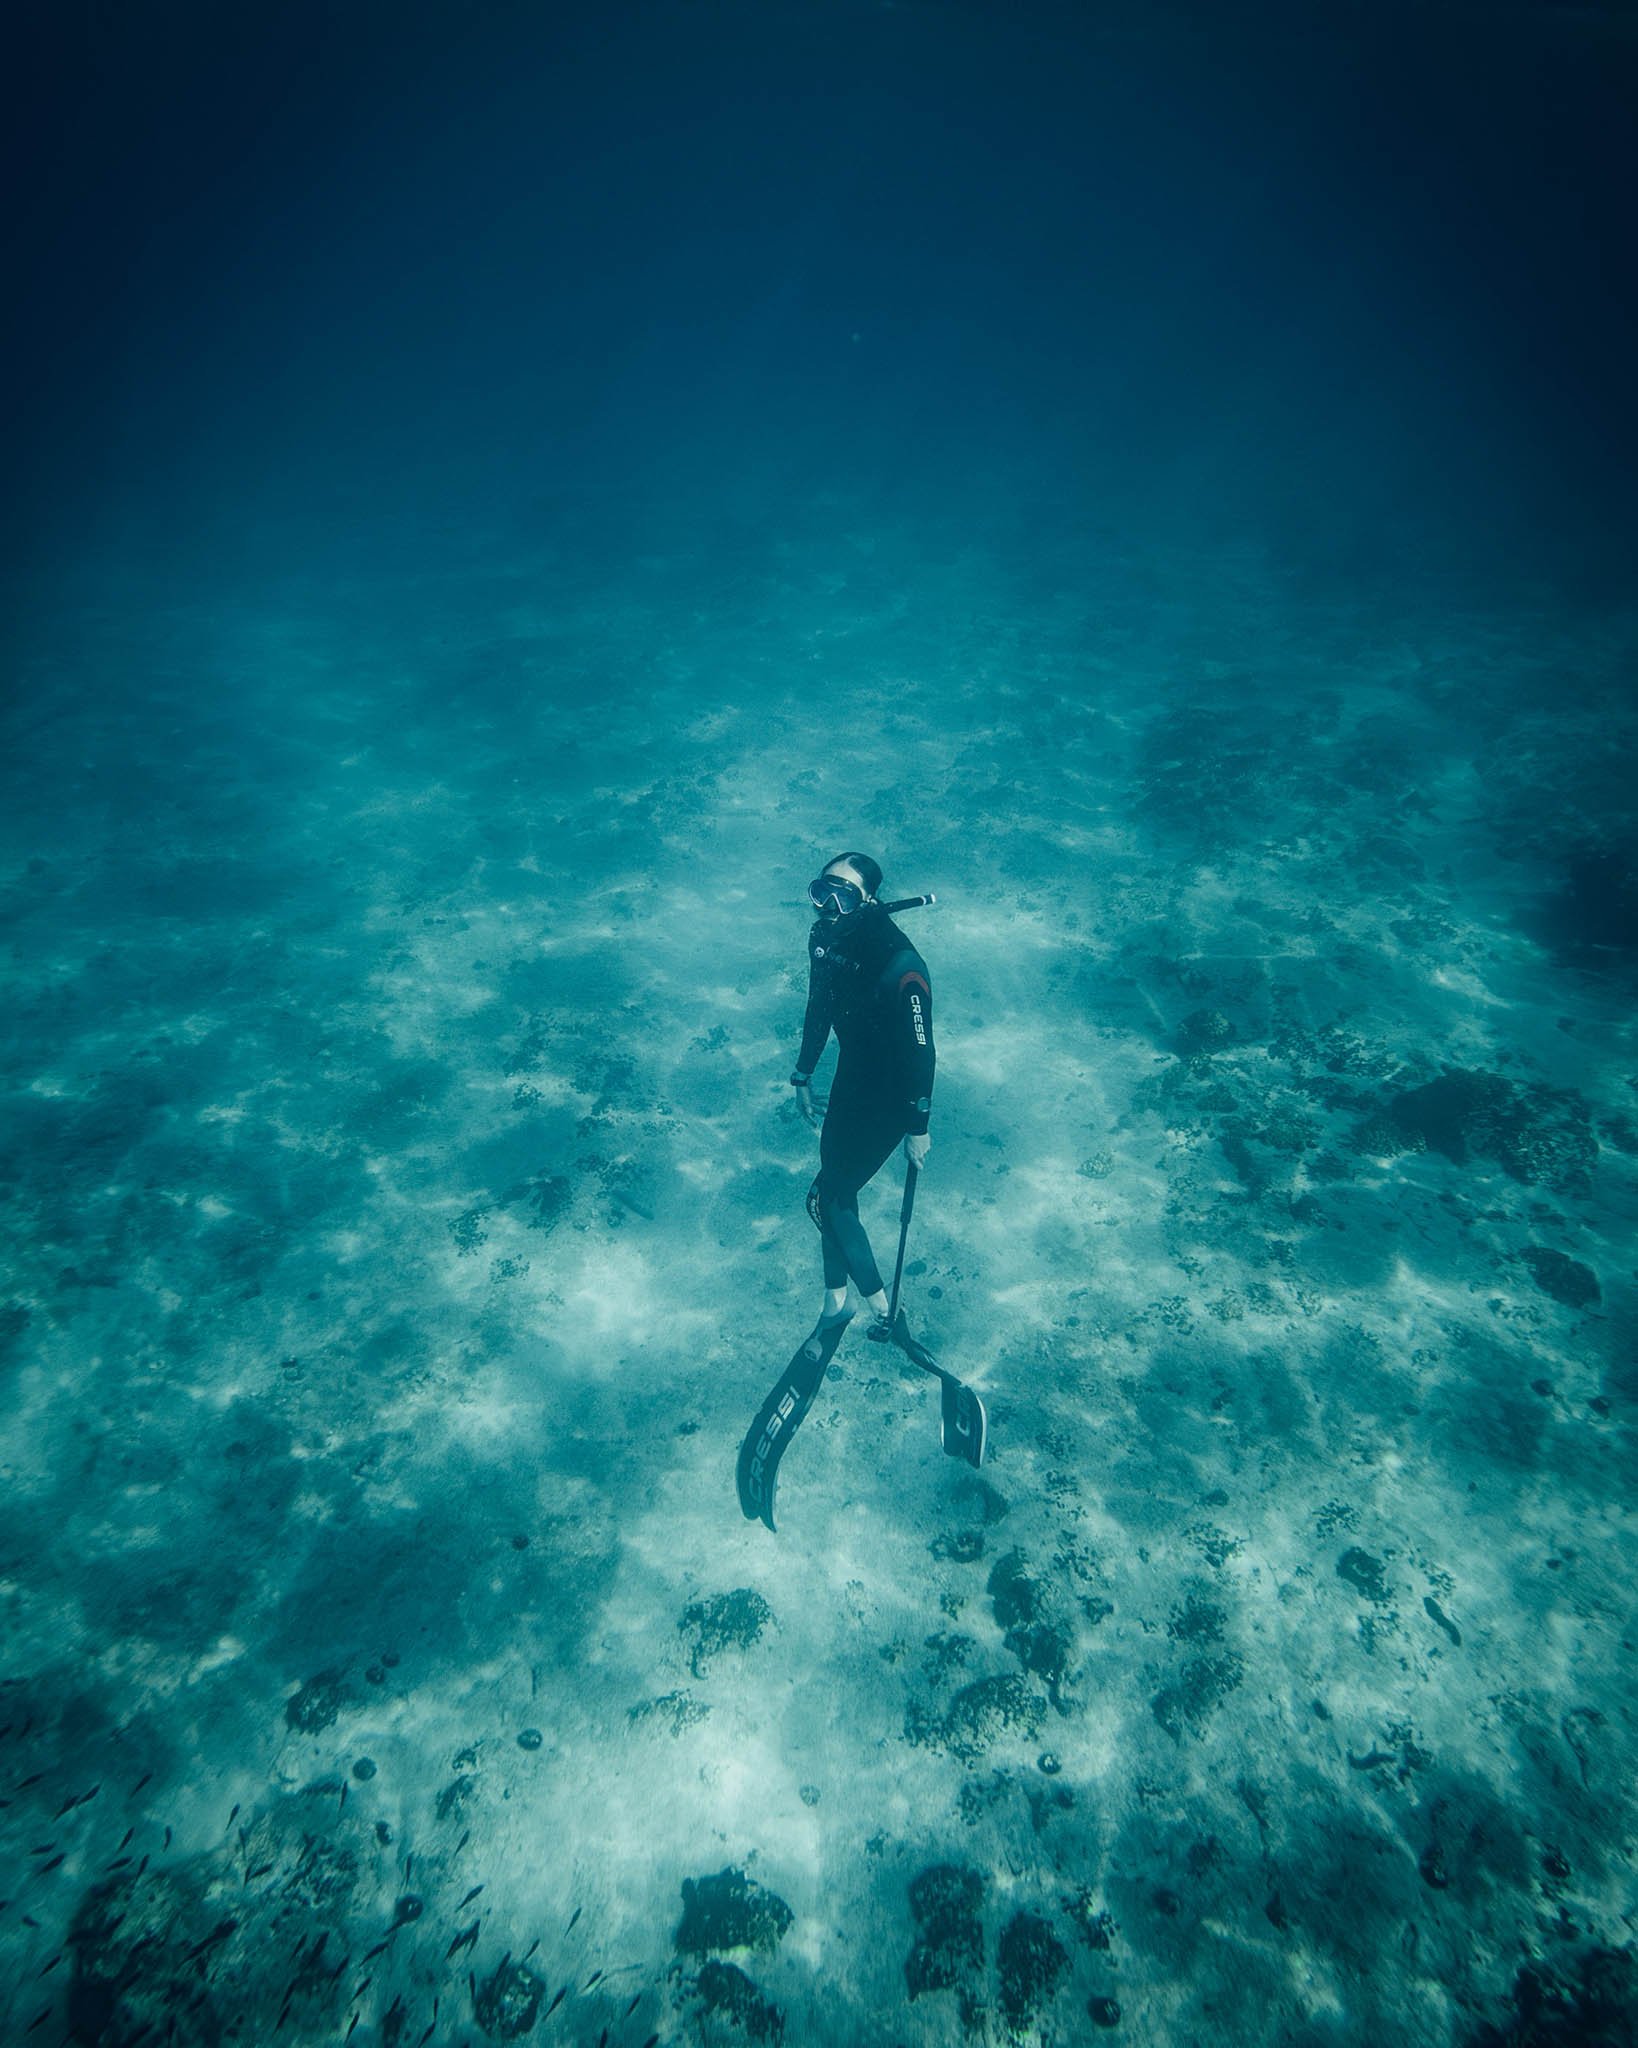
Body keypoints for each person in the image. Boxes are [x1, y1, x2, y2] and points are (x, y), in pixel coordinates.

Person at [790, 852, 935, 1350]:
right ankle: (835, 1301)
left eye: (844, 896)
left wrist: (918, 1126)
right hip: (850, 1081)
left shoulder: (901, 964)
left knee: (827, 1197)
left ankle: (882, 1309)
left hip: (893, 1097)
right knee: (833, 1193)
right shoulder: (824, 939)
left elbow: (922, 1051)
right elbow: (819, 1007)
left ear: (869, 900)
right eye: (822, 892)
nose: (829, 907)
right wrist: (803, 1074)